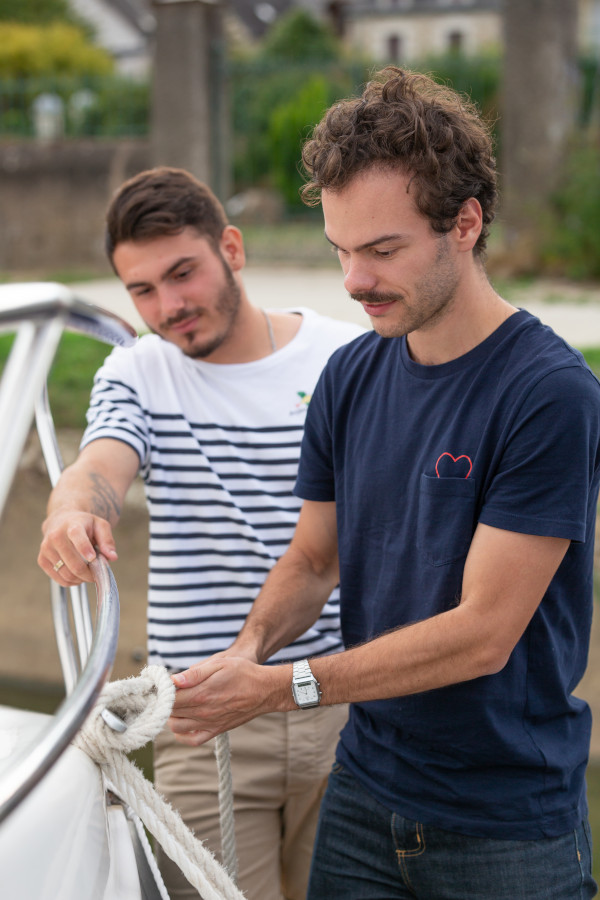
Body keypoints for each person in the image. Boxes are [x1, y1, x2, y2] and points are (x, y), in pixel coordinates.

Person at [166, 68, 600, 900]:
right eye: (340, 249)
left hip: (507, 825)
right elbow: (314, 560)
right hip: (364, 794)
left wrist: (284, 687)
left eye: (382, 250)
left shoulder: (550, 393)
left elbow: (483, 635)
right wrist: (246, 652)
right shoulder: (349, 377)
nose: (353, 280)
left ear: (465, 225)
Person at [37, 166, 364, 900]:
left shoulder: (350, 358)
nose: (169, 306)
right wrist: (72, 511)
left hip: (344, 708)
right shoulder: (137, 372)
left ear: (233, 250)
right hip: (200, 718)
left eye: (183, 273)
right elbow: (100, 461)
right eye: (142, 290)